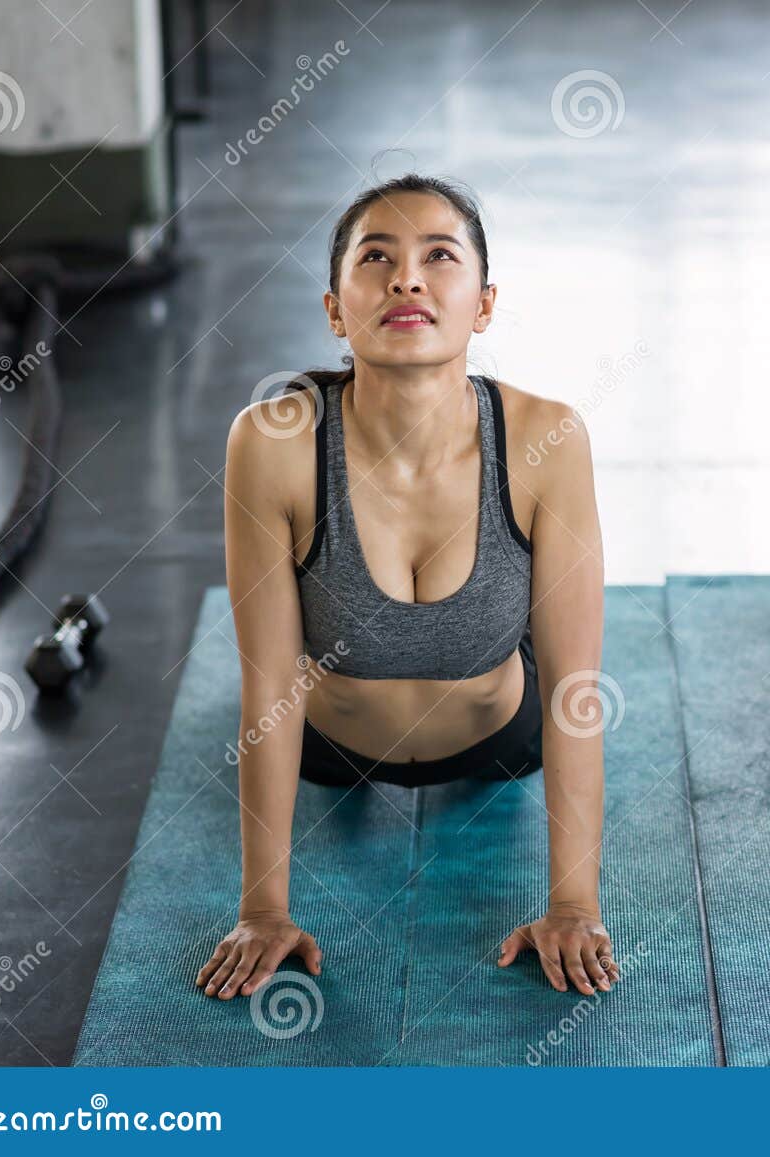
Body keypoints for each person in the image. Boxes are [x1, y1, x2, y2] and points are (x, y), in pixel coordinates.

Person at [199, 174, 617, 1002]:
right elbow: (270, 688)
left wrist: (573, 903)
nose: (407, 279)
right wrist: (262, 909)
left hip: (504, 736)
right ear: (333, 308)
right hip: (330, 747)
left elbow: (575, 688)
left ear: (484, 304)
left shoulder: (545, 437)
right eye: (377, 258)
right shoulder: (275, 440)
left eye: (438, 256)